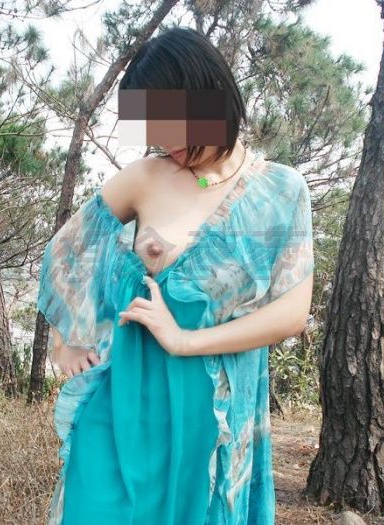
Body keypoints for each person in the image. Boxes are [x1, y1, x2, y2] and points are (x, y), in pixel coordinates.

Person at [37, 27, 314, 525]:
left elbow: (291, 312)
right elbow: (68, 249)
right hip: (124, 405)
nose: (165, 141)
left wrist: (186, 341)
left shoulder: (281, 190)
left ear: (210, 96)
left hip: (209, 418)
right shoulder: (146, 177)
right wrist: (65, 343)